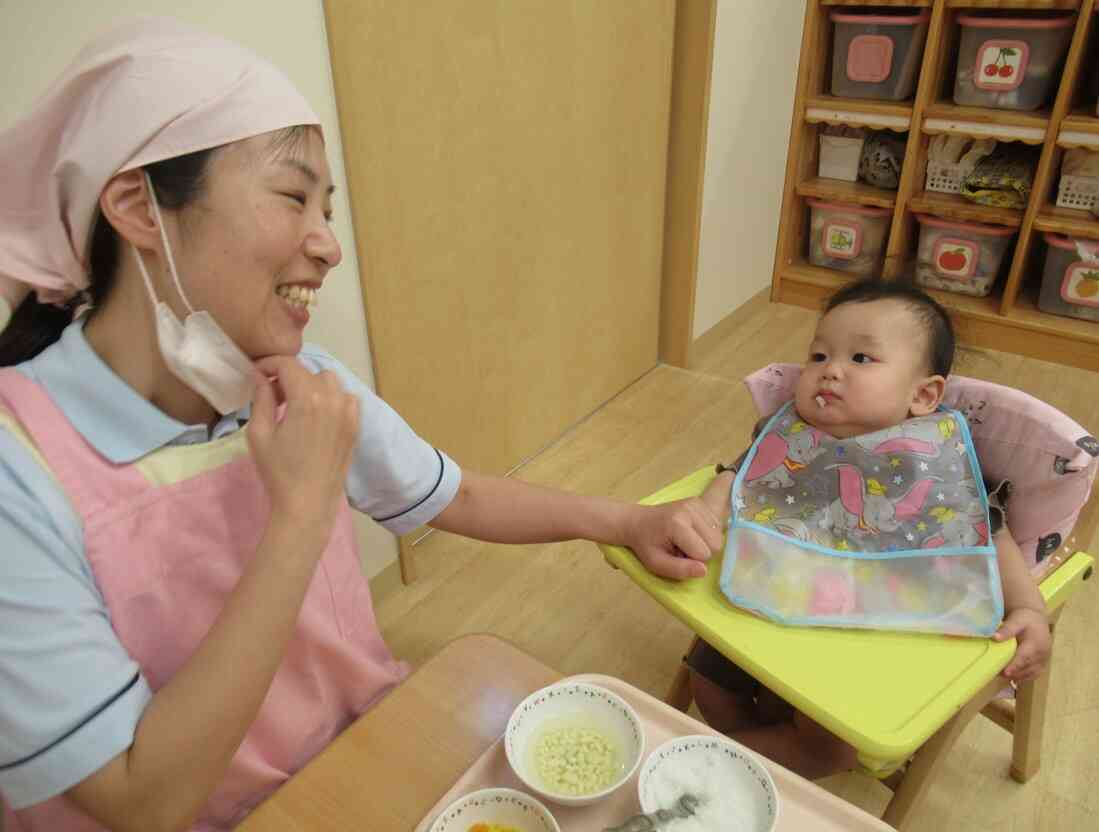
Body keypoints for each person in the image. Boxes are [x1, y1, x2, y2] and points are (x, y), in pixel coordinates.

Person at [0, 19, 725, 832]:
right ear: (138, 206)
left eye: (327, 207)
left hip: (357, 752)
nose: (327, 244)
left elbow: (456, 497)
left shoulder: (300, 387)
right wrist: (303, 512)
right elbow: (141, 798)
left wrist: (624, 520)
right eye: (292, 196)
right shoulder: (19, 469)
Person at [689, 278, 1052, 780]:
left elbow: (988, 539)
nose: (830, 371)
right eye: (818, 355)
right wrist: (706, 512)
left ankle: (711, 770)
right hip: (762, 604)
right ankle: (743, 755)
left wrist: (1030, 610)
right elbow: (739, 480)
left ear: (924, 395)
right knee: (706, 677)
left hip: (873, 640)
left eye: (861, 359)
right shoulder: (789, 431)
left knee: (830, 753)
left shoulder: (942, 465)